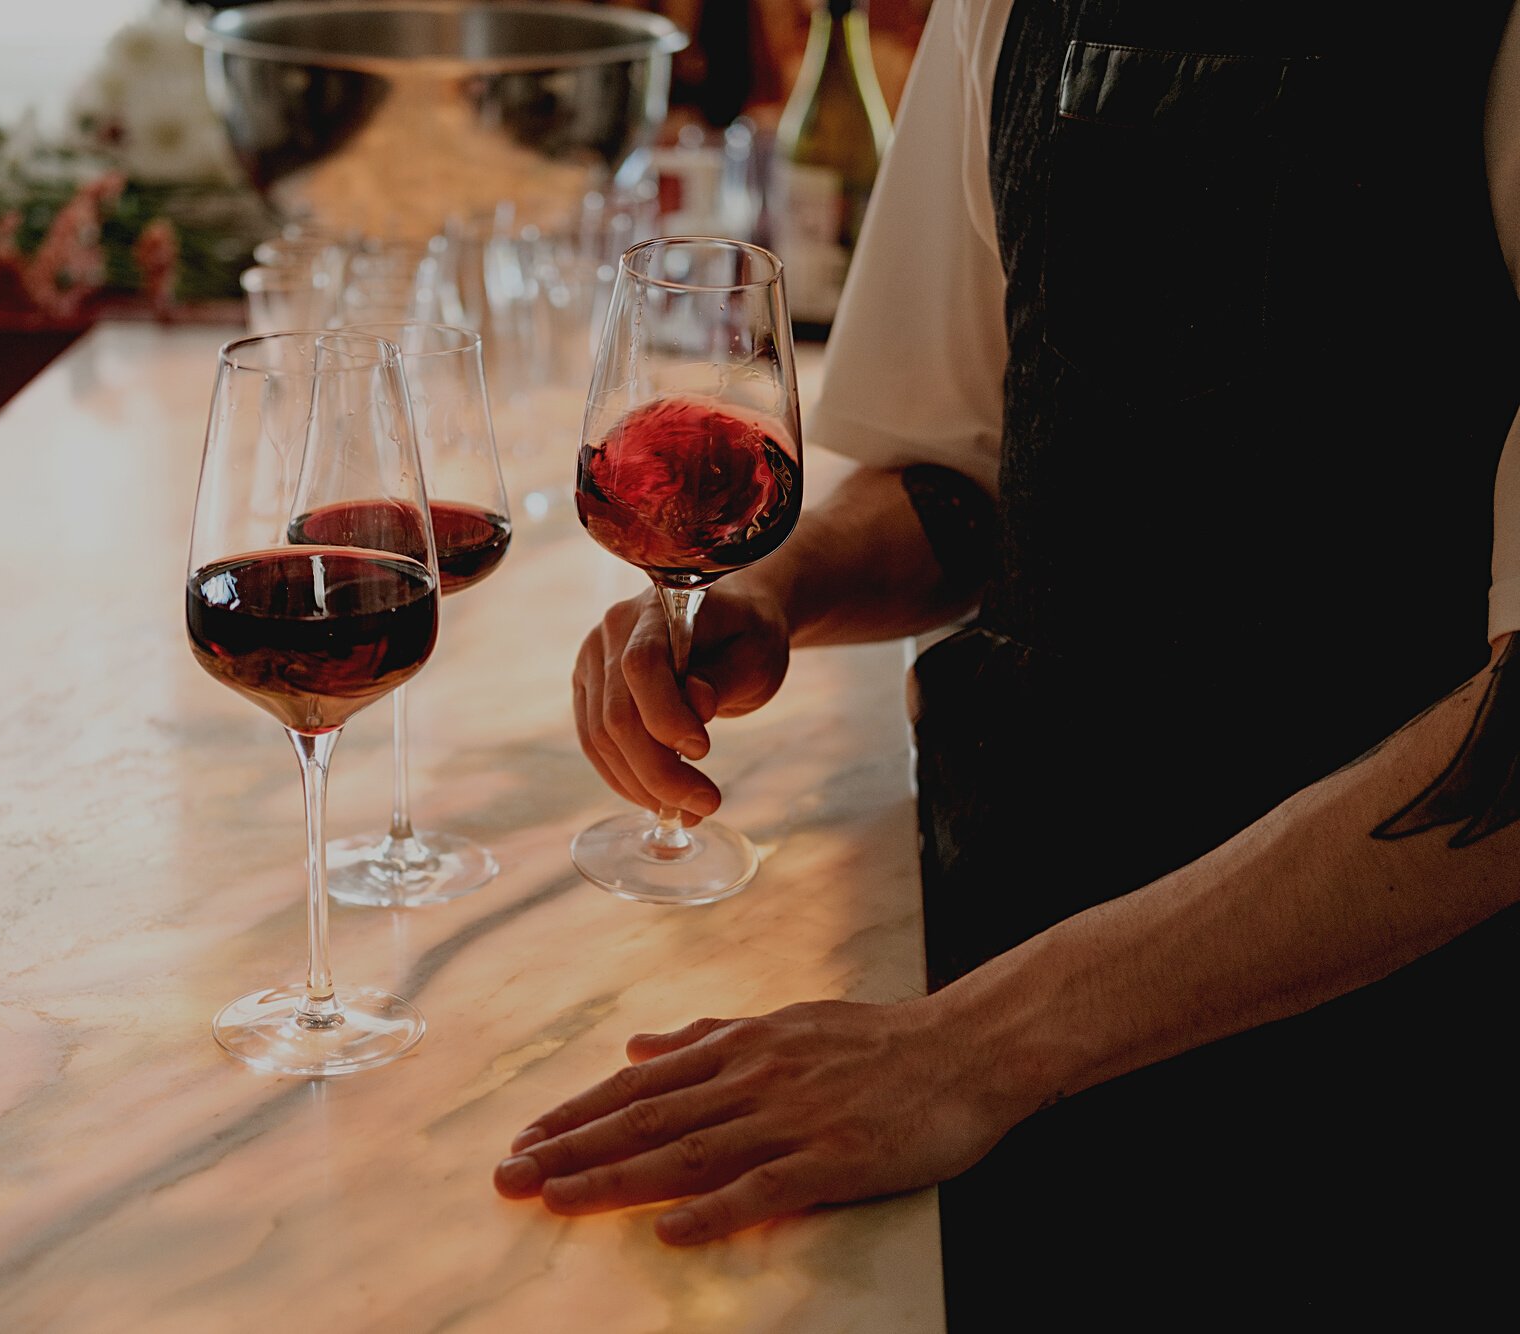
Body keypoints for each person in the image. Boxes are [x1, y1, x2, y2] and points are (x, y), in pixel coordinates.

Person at [493, 0, 1520, 1324]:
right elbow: (979, 467)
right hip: (988, 935)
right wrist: (779, 585)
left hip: (1369, 1067)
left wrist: (974, 1047)